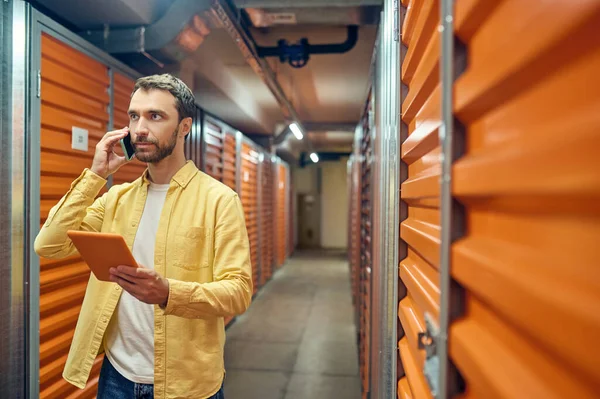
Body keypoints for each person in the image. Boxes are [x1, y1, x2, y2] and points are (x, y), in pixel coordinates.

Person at [34, 73, 253, 399]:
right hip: (116, 377)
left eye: (155, 116)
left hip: (188, 383)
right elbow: (49, 244)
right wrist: (96, 175)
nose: (139, 129)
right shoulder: (116, 198)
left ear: (184, 127)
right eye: (134, 116)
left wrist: (168, 292)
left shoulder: (219, 200)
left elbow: (238, 292)